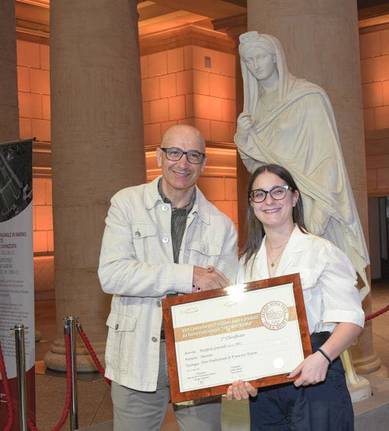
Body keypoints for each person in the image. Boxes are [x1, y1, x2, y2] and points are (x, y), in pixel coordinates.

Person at [98, 124, 237, 431]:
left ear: (204, 163)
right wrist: (189, 276)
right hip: (137, 354)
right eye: (174, 152)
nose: (182, 163)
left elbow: (226, 299)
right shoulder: (126, 204)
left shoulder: (221, 225)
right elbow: (112, 274)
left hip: (199, 359)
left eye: (193, 155)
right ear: (159, 156)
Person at [227, 164, 364, 431]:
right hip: (264, 388)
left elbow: (352, 320)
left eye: (278, 191)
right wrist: (238, 376)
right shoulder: (245, 263)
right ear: (251, 203)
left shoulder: (322, 252)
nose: (269, 201)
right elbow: (241, 331)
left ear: (294, 197)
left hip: (315, 375)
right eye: (260, 194)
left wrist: (323, 357)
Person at [234, 31, 370, 299]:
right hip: (278, 206)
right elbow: (257, 168)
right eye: (249, 61)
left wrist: (319, 212)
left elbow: (329, 159)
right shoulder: (255, 109)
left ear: (276, 58)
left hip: (312, 200)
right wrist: (244, 137)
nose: (256, 65)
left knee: (319, 284)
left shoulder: (308, 97)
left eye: (260, 57)